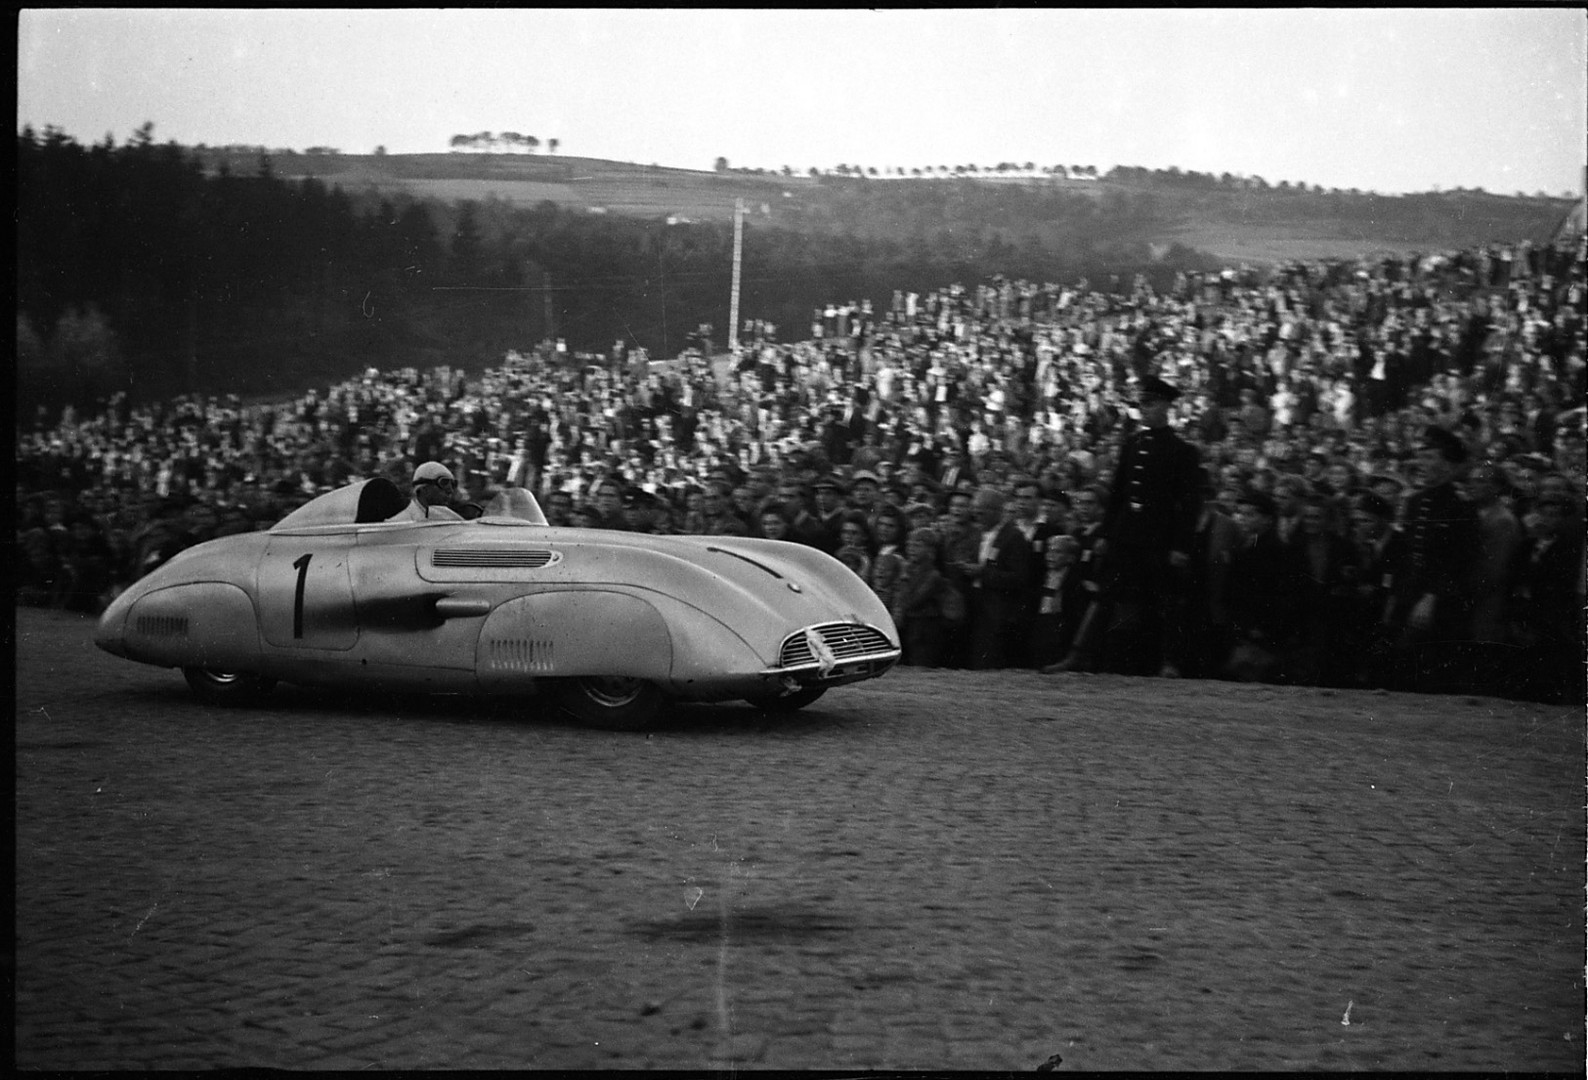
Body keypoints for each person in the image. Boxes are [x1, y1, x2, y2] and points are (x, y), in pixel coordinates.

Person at [1098, 375, 1202, 676]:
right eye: (1141, 404)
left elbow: (1189, 505)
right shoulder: (1133, 444)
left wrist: (1181, 546)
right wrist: (1107, 532)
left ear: (1166, 407)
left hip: (1161, 538)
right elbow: (1118, 494)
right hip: (1129, 536)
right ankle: (1123, 662)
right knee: (1126, 600)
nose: (1144, 410)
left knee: (1166, 602)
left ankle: (1169, 661)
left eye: (1150, 404)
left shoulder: (1182, 451)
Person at [958, 486, 1034, 670]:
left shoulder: (1014, 537)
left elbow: (1019, 577)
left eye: (982, 513)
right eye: (975, 513)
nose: (977, 517)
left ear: (996, 511)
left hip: (997, 610)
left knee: (990, 659)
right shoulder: (977, 533)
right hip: (975, 605)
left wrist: (981, 572)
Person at [397, 461, 464, 521]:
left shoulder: (451, 519)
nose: (450, 491)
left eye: (453, 484)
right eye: (444, 483)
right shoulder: (400, 523)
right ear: (424, 489)